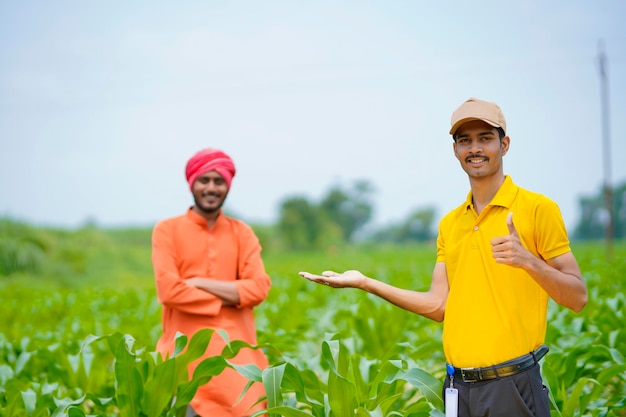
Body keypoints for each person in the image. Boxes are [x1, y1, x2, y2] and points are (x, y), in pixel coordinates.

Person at [299, 97, 587, 417]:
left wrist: (528, 261)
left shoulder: (538, 209)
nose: (474, 148)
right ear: (455, 150)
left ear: (504, 144)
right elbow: (438, 306)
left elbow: (577, 297)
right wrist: (365, 283)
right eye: (465, 140)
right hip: (458, 389)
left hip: (511, 385)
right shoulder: (450, 224)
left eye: (485, 138)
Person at [152, 148, 271, 417]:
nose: (211, 188)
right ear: (192, 183)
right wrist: (234, 295)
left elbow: (259, 288)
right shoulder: (167, 230)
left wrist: (196, 282)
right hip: (185, 359)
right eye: (204, 180)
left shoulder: (242, 233)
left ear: (227, 187)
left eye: (219, 181)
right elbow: (169, 291)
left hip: (238, 362)